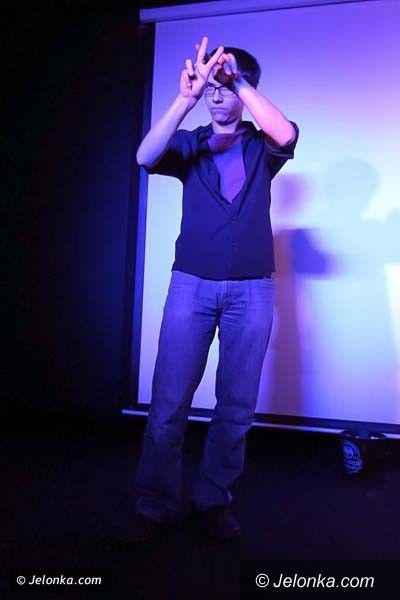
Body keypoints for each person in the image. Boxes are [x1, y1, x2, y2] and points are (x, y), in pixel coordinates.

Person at [132, 36, 299, 542]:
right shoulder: (191, 143)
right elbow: (144, 156)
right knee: (168, 402)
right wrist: (186, 97)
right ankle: (155, 503)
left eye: (225, 85)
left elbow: (287, 133)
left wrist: (237, 79)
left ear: (244, 87)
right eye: (212, 87)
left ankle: (212, 500)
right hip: (192, 286)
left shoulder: (260, 145)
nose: (217, 93)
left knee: (236, 406)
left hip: (252, 292)